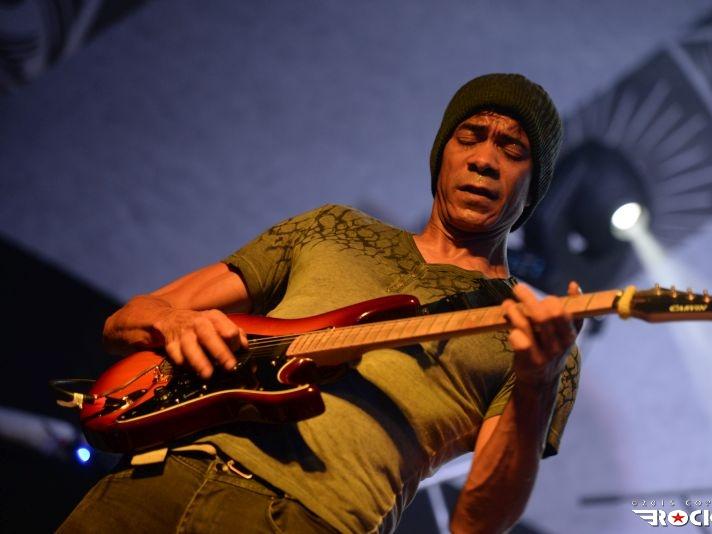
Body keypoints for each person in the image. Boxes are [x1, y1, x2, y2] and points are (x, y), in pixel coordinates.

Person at [59, 73, 581, 533]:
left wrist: (539, 379)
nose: (484, 160)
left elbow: (478, 523)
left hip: (306, 519)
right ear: (442, 153)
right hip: (155, 477)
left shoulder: (537, 340)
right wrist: (177, 324)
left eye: (513, 150)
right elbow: (126, 322)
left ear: (534, 185)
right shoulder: (334, 228)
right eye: (469, 137)